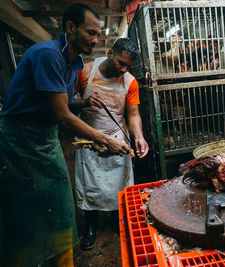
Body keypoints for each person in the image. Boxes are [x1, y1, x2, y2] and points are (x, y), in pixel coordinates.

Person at [0, 4, 132, 267]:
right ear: (69, 27)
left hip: (45, 139)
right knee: (22, 214)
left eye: (98, 34)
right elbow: (62, 116)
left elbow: (64, 105)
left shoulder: (73, 61)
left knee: (57, 204)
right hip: (18, 142)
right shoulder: (49, 55)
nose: (95, 39)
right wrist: (104, 139)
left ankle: (59, 259)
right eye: (90, 32)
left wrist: (84, 103)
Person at [74, 38, 149, 250]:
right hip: (88, 139)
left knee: (120, 186)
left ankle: (120, 222)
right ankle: (91, 227)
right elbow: (66, 104)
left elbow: (133, 114)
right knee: (89, 186)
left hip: (117, 139)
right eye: (120, 63)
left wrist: (139, 137)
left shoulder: (130, 81)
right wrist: (85, 102)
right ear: (109, 53)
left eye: (128, 66)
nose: (123, 70)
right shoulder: (85, 72)